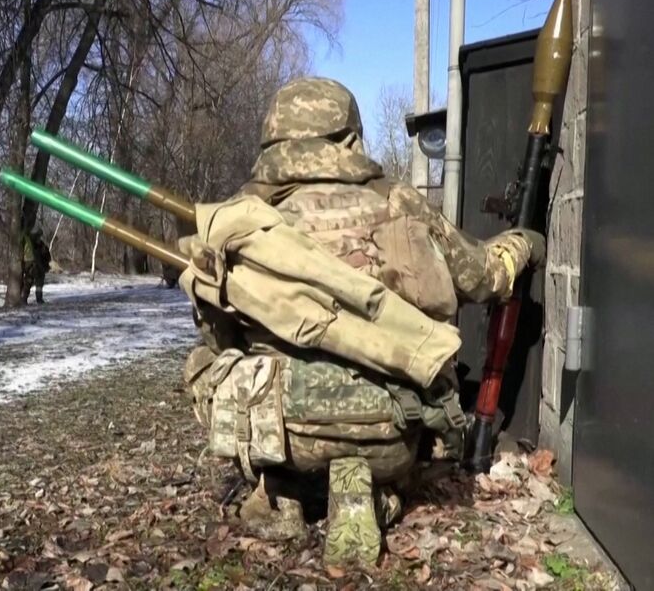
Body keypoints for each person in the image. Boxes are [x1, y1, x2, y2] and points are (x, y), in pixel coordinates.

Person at [184, 77, 545, 565]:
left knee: (204, 361)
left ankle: (281, 489)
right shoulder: (398, 202)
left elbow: (217, 333)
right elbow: (483, 278)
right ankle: (376, 493)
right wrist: (522, 243)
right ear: (351, 137)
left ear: (272, 140)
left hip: (280, 433)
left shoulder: (237, 219)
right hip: (388, 429)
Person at [21, 227, 51, 304]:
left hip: (32, 267)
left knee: (30, 283)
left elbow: (47, 256)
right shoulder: (33, 244)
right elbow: (46, 256)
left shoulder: (32, 244)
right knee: (33, 284)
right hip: (34, 267)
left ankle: (25, 299)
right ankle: (36, 299)